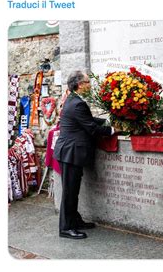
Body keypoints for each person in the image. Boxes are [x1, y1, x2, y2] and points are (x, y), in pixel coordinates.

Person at [54, 71, 117, 239]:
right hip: (71, 153)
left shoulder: (74, 100)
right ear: (80, 85)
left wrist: (106, 120)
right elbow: (91, 128)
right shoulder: (76, 103)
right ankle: (66, 228)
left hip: (72, 152)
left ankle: (75, 220)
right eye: (88, 82)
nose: (90, 84)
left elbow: (87, 119)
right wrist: (112, 129)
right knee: (69, 192)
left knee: (73, 191)